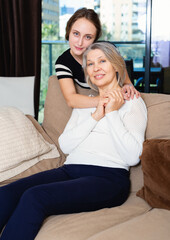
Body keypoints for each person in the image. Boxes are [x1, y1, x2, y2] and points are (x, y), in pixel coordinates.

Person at [0, 42, 147, 240]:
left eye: (102, 61)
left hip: (108, 179)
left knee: (34, 197)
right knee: (7, 193)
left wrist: (111, 112)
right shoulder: (85, 103)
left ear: (115, 65)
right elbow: (66, 145)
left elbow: (132, 157)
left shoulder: (133, 102)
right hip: (69, 171)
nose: (96, 68)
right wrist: (96, 114)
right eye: (91, 64)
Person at [55, 7, 140, 108]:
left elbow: (126, 82)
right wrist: (107, 100)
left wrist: (128, 87)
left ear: (95, 39)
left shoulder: (108, 50)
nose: (80, 42)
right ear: (68, 32)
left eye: (88, 37)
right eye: (76, 34)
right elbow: (71, 100)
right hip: (98, 107)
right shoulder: (63, 62)